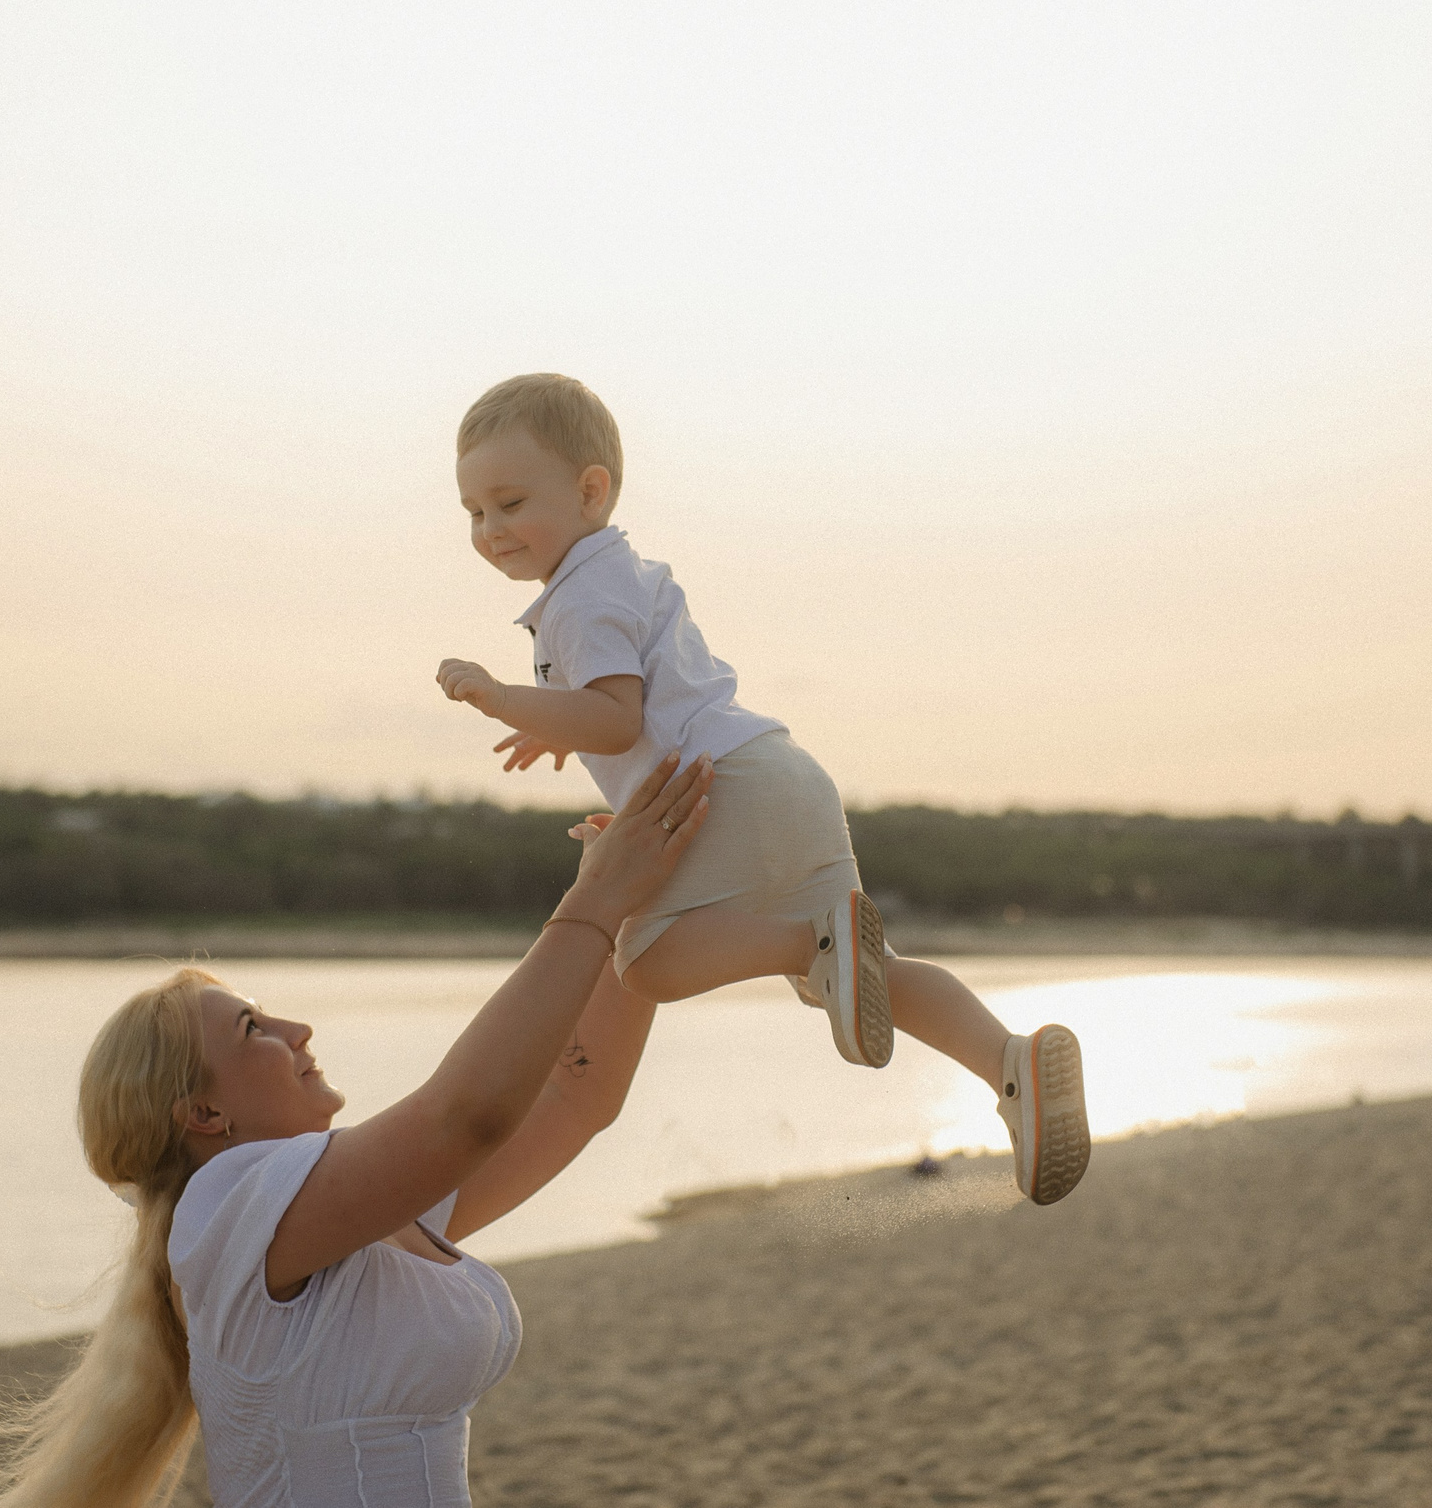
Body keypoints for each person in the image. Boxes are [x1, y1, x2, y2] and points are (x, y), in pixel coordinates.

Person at [0, 751, 715, 1508]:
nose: (298, 1028)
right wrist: (596, 893)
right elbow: (468, 1115)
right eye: (254, 1026)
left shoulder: (353, 1213)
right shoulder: (225, 1203)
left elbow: (576, 1095)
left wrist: (634, 913)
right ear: (203, 1115)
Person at [435, 374, 1090, 1207]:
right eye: (473, 513)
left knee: (645, 963)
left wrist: (501, 695)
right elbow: (632, 702)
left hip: (723, 790)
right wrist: (554, 719)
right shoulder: (622, 572)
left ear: (591, 490)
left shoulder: (574, 599)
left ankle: (810, 943)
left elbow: (614, 715)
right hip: (785, 776)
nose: (490, 530)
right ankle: (1011, 1064)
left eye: (509, 502)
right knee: (871, 970)